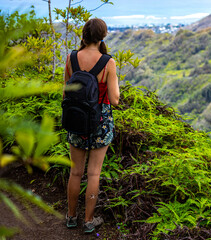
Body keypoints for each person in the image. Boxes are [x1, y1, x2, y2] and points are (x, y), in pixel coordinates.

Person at [63, 18, 119, 233]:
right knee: (93, 173)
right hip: (100, 121)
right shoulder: (107, 62)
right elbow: (114, 100)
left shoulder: (71, 58)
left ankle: (70, 217)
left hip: (75, 118)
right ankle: (88, 222)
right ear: (103, 36)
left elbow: (65, 93)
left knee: (75, 172)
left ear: (84, 34)